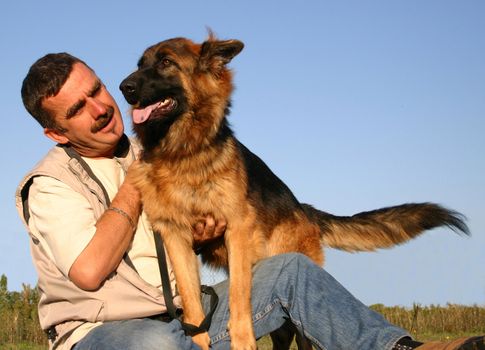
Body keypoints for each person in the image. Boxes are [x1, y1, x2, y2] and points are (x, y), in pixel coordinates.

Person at [16, 52, 484, 350]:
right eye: (78, 109)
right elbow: (89, 271)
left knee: (293, 271)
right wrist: (138, 181)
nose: (101, 108)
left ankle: (397, 348)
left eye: (96, 90)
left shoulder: (157, 139)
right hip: (108, 332)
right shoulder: (51, 183)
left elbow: (188, 231)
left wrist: (203, 234)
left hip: (187, 312)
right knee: (154, 346)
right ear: (57, 132)